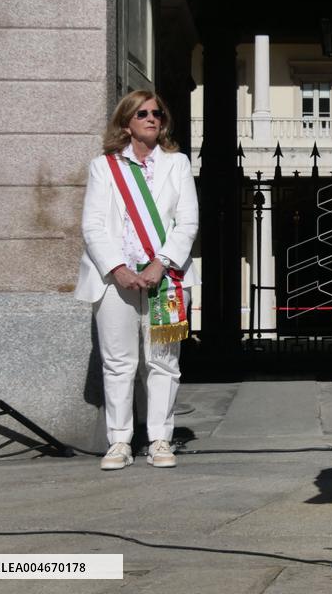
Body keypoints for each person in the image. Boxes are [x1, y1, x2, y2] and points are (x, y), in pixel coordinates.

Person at [74, 90, 199, 471]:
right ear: (126, 122)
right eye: (141, 113)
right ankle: (120, 441)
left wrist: (159, 265)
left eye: (157, 113)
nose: (151, 118)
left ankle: (160, 438)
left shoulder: (177, 165)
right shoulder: (104, 167)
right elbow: (93, 225)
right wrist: (118, 268)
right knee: (118, 363)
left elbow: (188, 222)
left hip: (167, 278)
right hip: (115, 280)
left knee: (163, 362)